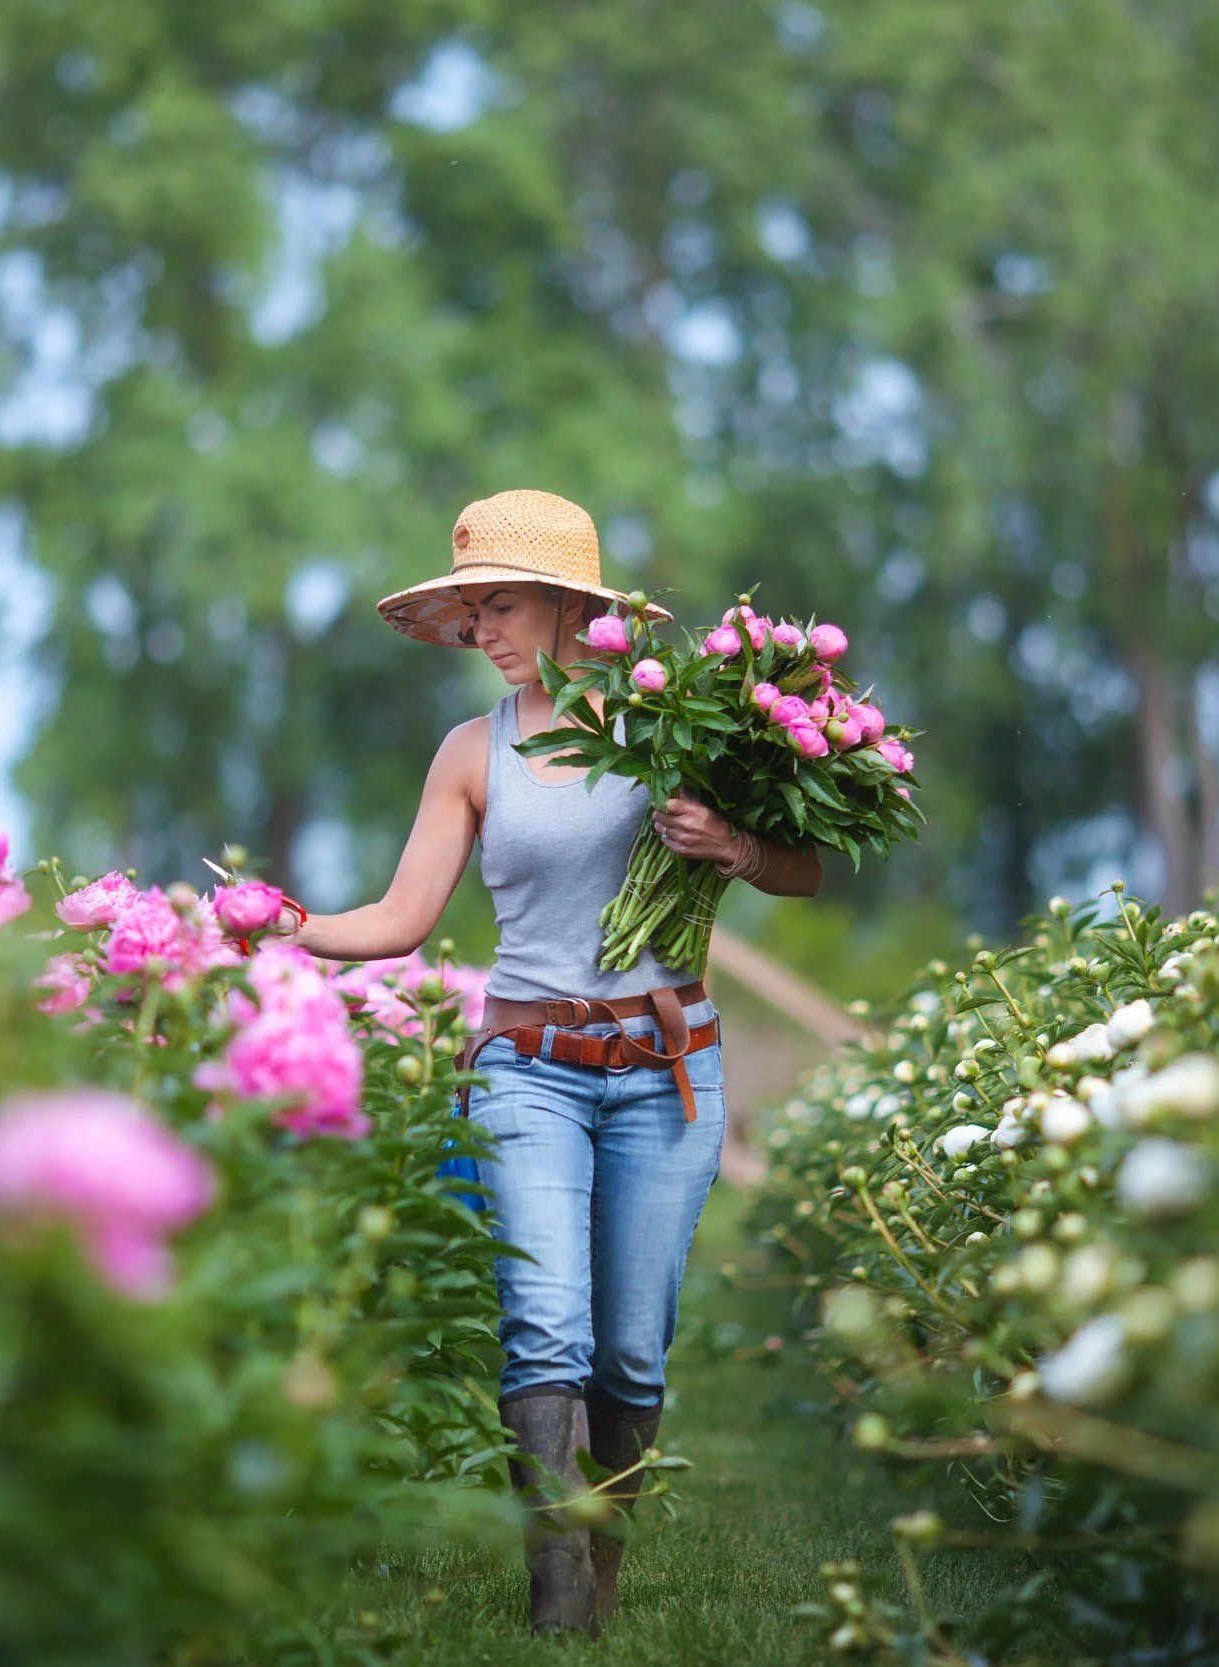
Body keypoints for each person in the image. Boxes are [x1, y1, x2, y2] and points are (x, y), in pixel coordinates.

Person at [267, 488, 819, 1635]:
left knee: (628, 1349)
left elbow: (802, 868)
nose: (482, 632)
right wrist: (279, 922)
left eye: (501, 605)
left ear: (575, 608)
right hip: (526, 1065)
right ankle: (558, 1598)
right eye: (470, 613)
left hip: (666, 1067)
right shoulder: (473, 752)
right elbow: (401, 916)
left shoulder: (681, 726)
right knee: (545, 1326)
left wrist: (732, 843)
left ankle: (601, 1562)